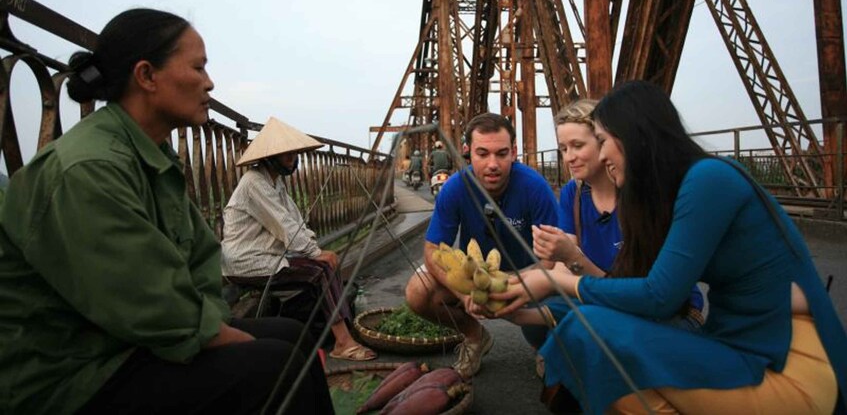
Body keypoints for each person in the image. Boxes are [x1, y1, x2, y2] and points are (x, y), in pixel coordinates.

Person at [0, 9, 334, 414]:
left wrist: (215, 326)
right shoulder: (89, 169)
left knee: (292, 335)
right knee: (274, 366)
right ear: (147, 76)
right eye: (197, 67)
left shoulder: (153, 156)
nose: (209, 82)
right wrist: (221, 336)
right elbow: (147, 304)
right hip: (76, 372)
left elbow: (200, 262)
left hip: (127, 341)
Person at [491, 81, 846, 414]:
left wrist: (563, 281)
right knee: (590, 328)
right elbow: (624, 296)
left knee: (591, 331)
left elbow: (658, 297)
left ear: (630, 137)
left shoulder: (710, 179)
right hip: (740, 347)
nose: (599, 152)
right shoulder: (670, 193)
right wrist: (520, 311)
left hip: (790, 364)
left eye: (600, 139)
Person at [522, 100, 703, 352]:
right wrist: (518, 299)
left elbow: (640, 296)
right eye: (563, 149)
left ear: (604, 142)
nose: (569, 158)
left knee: (586, 327)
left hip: (666, 314)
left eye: (578, 145)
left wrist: (570, 257)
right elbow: (563, 272)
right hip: (605, 301)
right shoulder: (573, 194)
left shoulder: (644, 196)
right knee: (535, 309)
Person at [404, 112, 562, 379]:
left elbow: (555, 259)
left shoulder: (535, 187)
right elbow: (432, 251)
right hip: (476, 277)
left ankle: (546, 346)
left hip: (528, 275)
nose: (493, 164)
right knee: (418, 291)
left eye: (501, 154)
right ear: (467, 152)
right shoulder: (454, 188)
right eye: (482, 153)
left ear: (514, 152)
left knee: (563, 291)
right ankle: (475, 336)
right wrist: (464, 294)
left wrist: (510, 283)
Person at [222, 117, 377, 362]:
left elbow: (295, 222)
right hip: (248, 261)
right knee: (320, 271)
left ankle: (345, 328)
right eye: (287, 155)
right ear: (270, 157)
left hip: (270, 256)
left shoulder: (276, 182)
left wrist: (316, 249)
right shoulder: (254, 183)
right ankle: (343, 343)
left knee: (328, 262)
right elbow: (283, 226)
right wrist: (315, 254)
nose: (293, 160)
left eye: (295, 154)